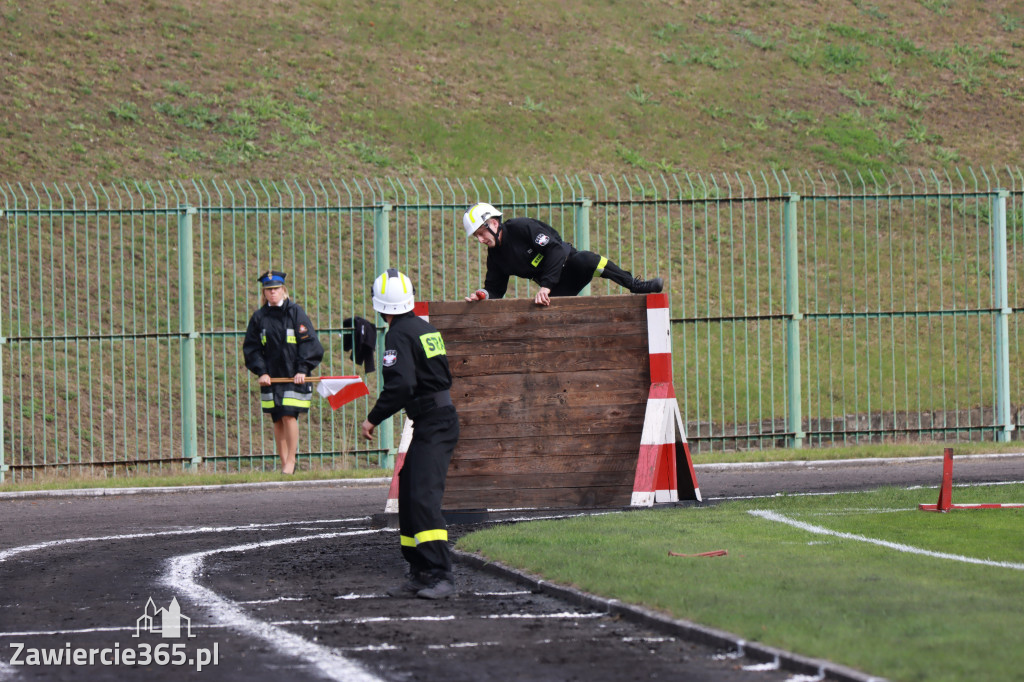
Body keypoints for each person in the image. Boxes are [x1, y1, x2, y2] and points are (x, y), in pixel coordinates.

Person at [360, 269, 459, 600]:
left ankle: (441, 574)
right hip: (437, 419)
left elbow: (401, 385)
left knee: (423, 497)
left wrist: (372, 419)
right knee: (409, 491)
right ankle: (419, 572)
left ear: (380, 306)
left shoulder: (397, 335)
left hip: (434, 422)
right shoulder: (425, 329)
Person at [461, 202, 664, 306]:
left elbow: (555, 249)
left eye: (481, 233)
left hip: (569, 266)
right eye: (476, 237)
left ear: (494, 223)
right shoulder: (495, 256)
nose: (480, 240)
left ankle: (634, 285)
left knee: (588, 259)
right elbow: (495, 289)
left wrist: (545, 286)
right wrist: (483, 296)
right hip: (555, 289)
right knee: (542, 312)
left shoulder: (522, 227)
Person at [242, 270, 324, 475]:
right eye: (268, 290)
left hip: (294, 376)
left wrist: (302, 369)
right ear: (264, 292)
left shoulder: (296, 313)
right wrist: (261, 371)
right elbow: (252, 348)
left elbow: (310, 343)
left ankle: (291, 461)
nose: (272, 293)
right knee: (277, 418)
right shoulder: (259, 317)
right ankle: (283, 462)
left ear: (283, 290)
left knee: (289, 415)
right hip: (271, 378)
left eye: (276, 289)